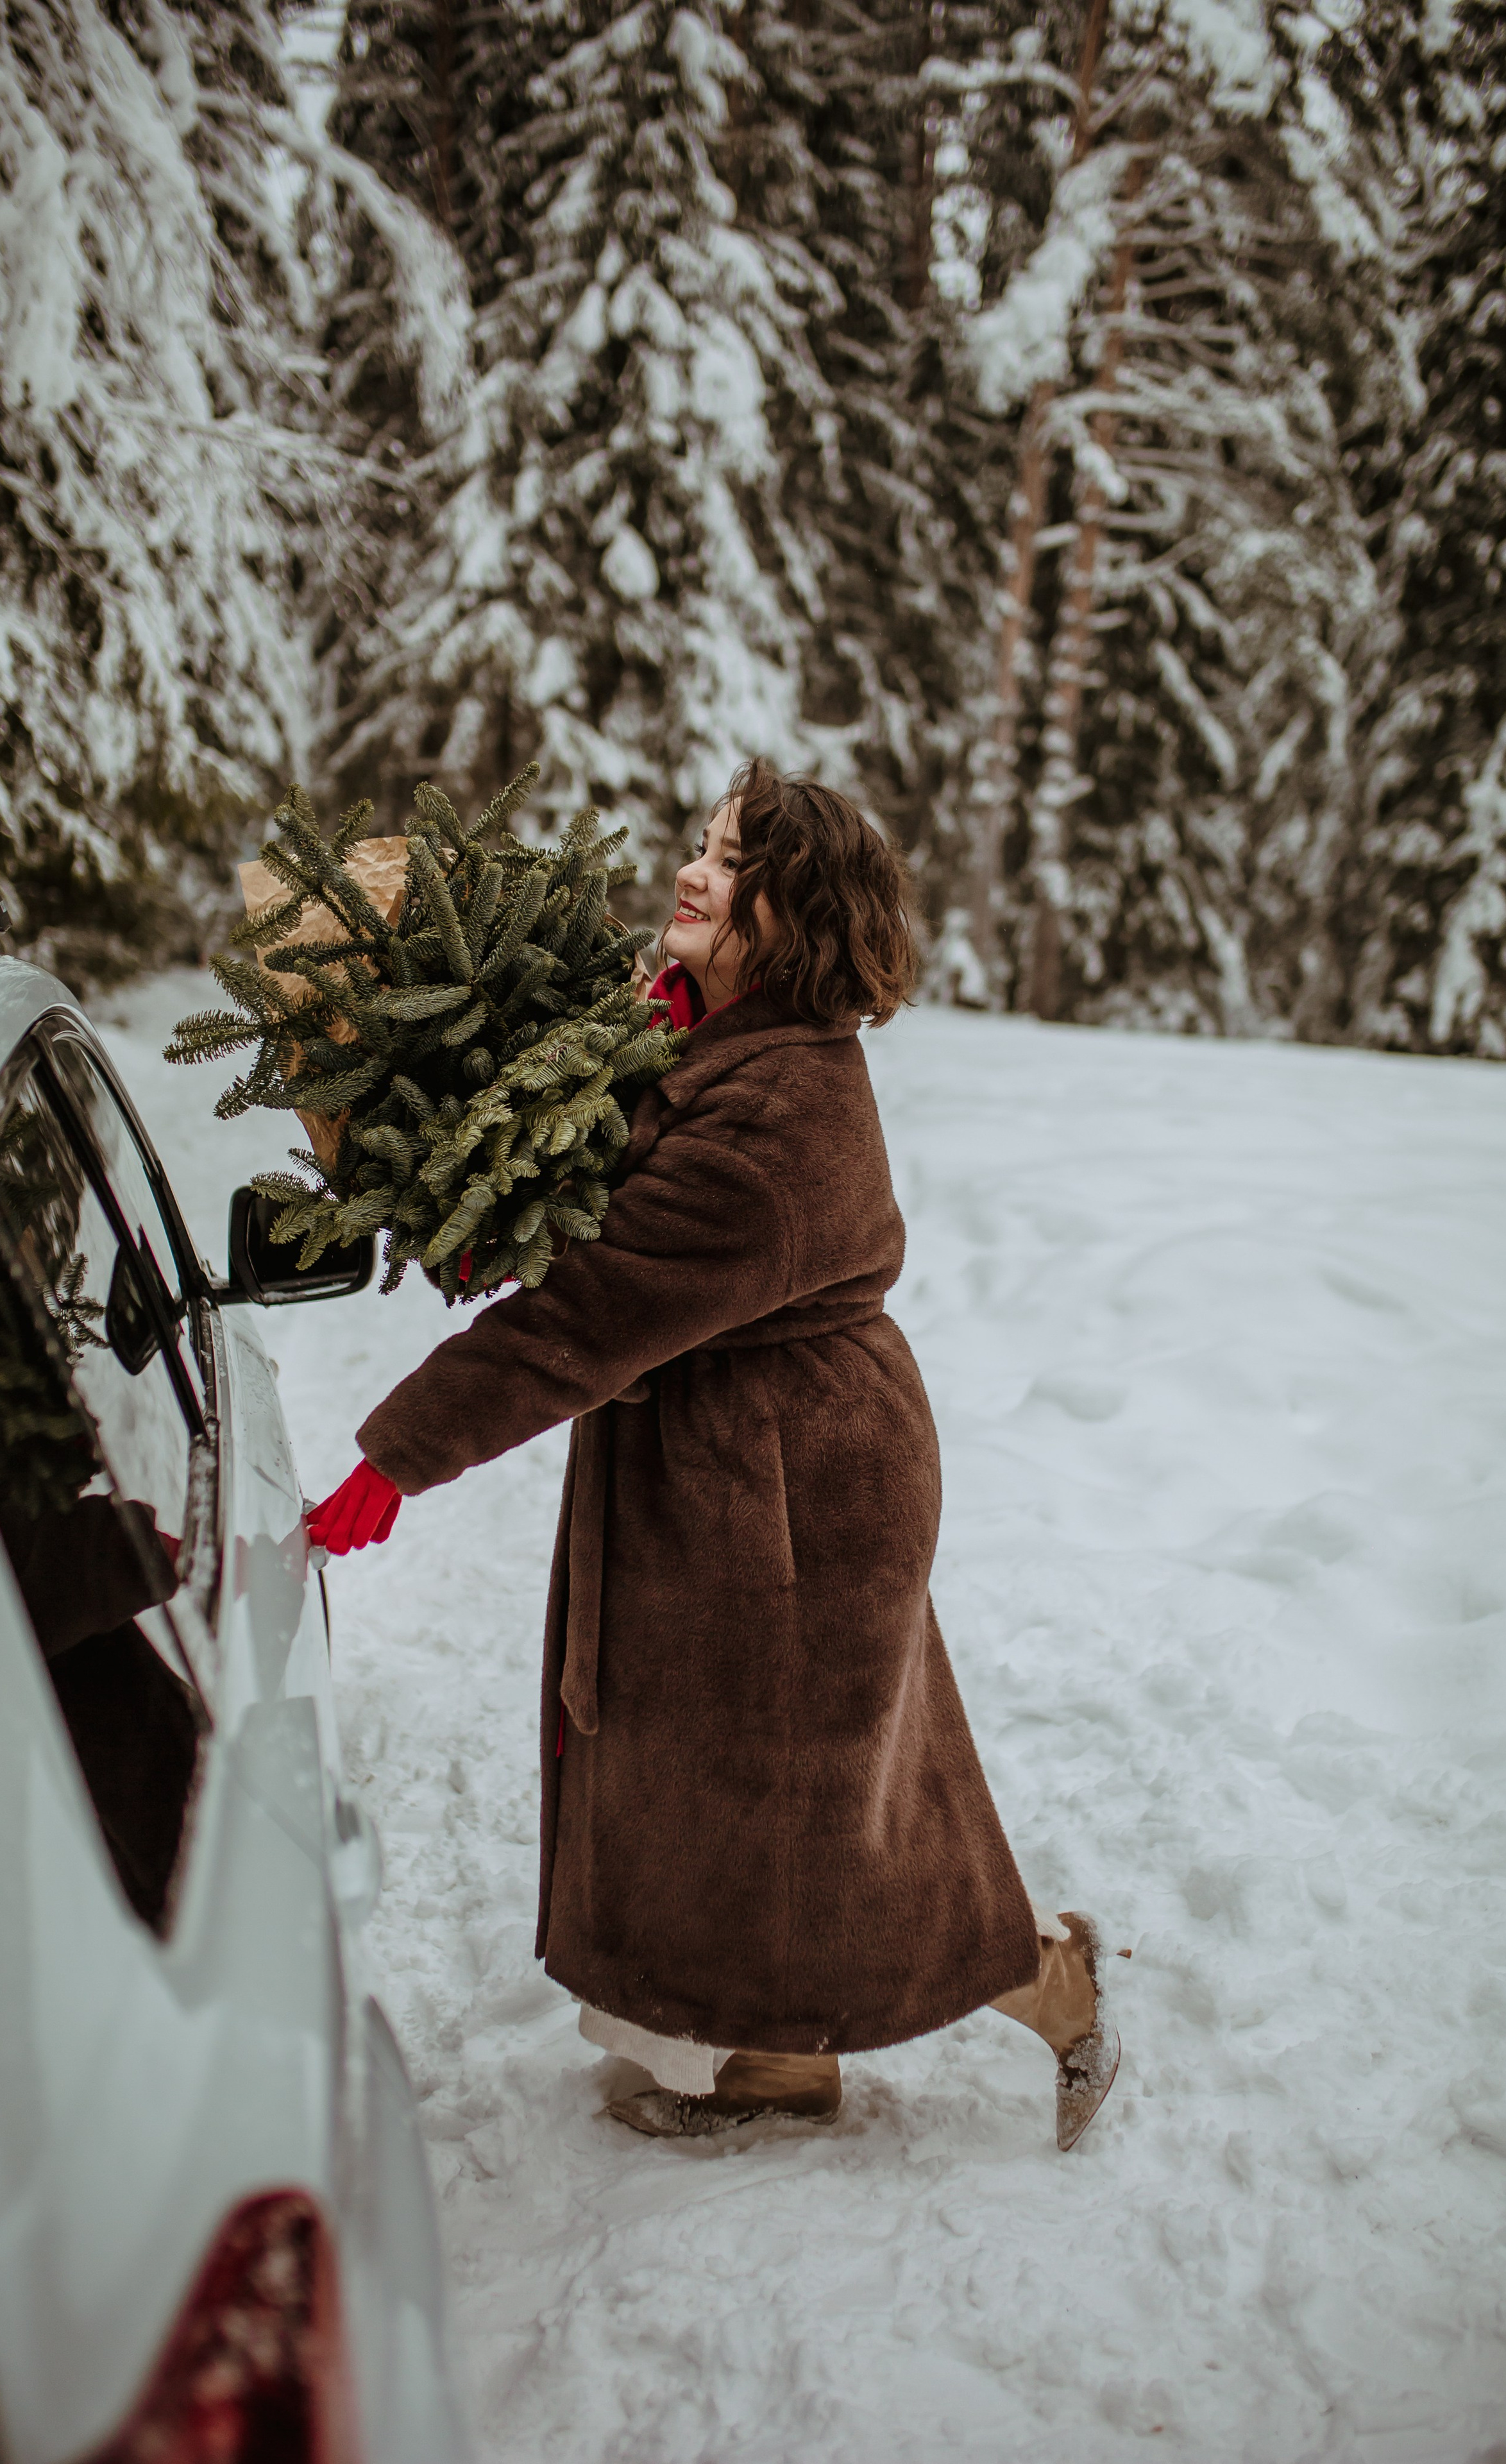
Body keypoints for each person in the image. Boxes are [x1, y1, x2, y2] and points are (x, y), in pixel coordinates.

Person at [309, 760, 1119, 2148]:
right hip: (734, 1462)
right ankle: (770, 2062)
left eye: (729, 862)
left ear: (790, 912)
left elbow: (591, 1312)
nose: (690, 873)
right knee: (731, 1785)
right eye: (699, 845)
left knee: (796, 1809)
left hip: (795, 1490)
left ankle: (1047, 1978)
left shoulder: (779, 1115)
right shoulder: (717, 1038)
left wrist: (401, 1453)